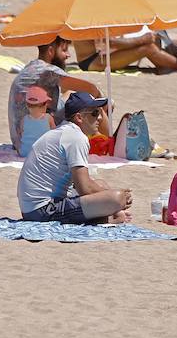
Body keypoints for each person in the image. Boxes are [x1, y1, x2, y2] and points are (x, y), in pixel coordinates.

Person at [17, 91, 133, 225]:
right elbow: (84, 187)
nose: (100, 118)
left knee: (101, 185)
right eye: (94, 113)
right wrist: (116, 200)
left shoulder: (66, 131)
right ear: (79, 117)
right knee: (116, 198)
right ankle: (108, 219)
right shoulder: (76, 137)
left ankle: (109, 215)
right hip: (42, 211)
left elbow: (82, 185)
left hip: (33, 208)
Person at [8, 36, 109, 155]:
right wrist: (104, 104)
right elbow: (91, 89)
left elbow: (70, 89)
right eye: (64, 50)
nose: (68, 55)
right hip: (39, 140)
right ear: (51, 51)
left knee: (71, 94)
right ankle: (109, 143)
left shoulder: (31, 68)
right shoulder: (48, 70)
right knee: (95, 106)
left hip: (20, 141)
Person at [69, 34, 177, 74]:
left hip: (98, 56)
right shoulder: (89, 19)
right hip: (92, 62)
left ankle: (165, 65)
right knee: (147, 47)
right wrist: (141, 40)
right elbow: (110, 43)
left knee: (151, 40)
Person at [18, 86, 57, 156]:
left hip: (25, 152)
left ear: (27, 105)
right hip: (43, 153)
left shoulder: (24, 119)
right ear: (45, 104)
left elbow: (21, 134)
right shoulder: (48, 118)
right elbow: (55, 134)